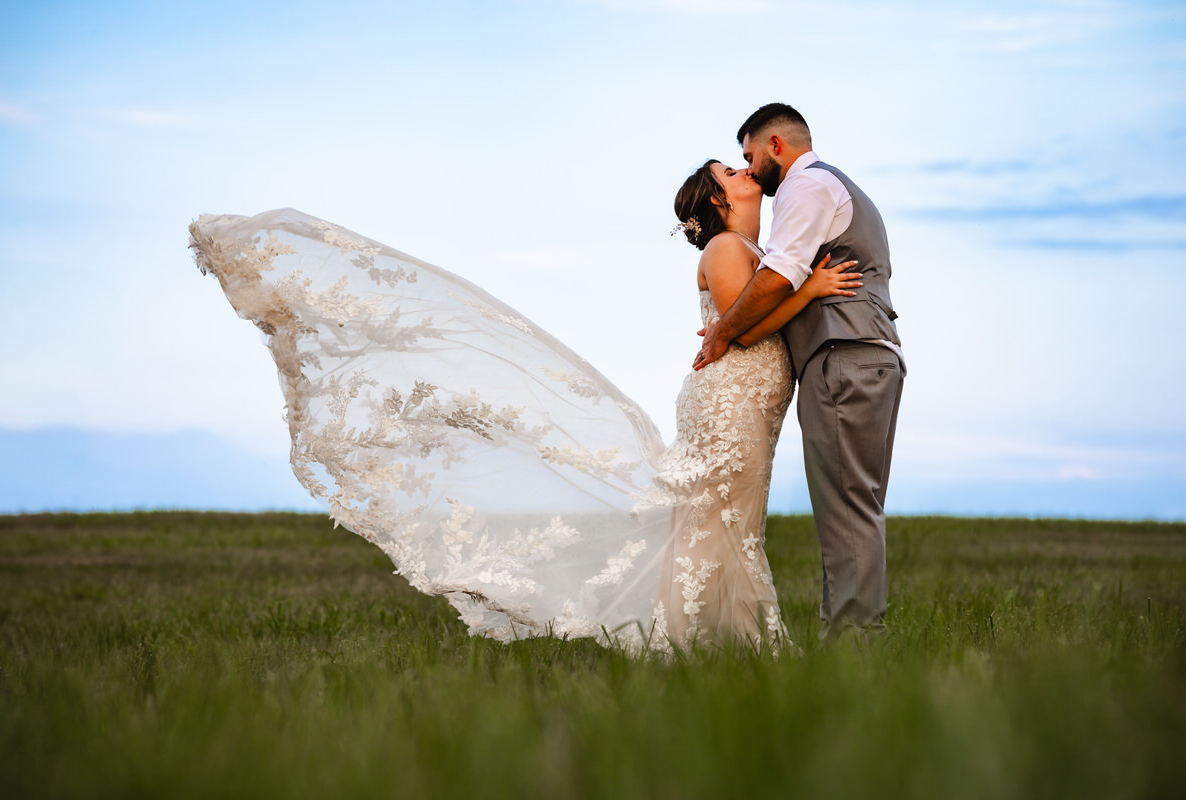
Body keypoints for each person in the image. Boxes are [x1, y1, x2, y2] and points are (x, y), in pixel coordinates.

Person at [187, 164, 859, 654]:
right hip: (727, 405)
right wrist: (814, 289)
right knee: (715, 525)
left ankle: (711, 647)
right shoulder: (724, 247)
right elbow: (745, 326)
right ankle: (711, 648)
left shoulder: (752, 251)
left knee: (722, 526)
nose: (749, 174)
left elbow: (743, 318)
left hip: (745, 404)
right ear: (716, 200)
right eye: (734, 172)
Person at [695, 103, 904, 640]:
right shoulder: (829, 187)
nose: (749, 170)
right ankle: (849, 635)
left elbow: (779, 274)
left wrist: (723, 330)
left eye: (748, 156)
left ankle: (857, 643)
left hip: (846, 357)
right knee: (851, 502)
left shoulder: (805, 188)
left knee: (847, 506)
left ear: (775, 147)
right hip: (861, 355)